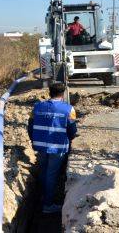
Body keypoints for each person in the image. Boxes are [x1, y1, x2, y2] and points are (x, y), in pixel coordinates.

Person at [28, 82, 77, 213]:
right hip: (57, 147)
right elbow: (72, 130)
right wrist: (69, 141)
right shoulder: (69, 109)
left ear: (49, 92)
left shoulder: (37, 107)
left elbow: (30, 126)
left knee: (43, 171)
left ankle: (42, 196)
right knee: (52, 174)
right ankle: (48, 205)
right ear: (63, 94)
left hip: (40, 146)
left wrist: (34, 140)